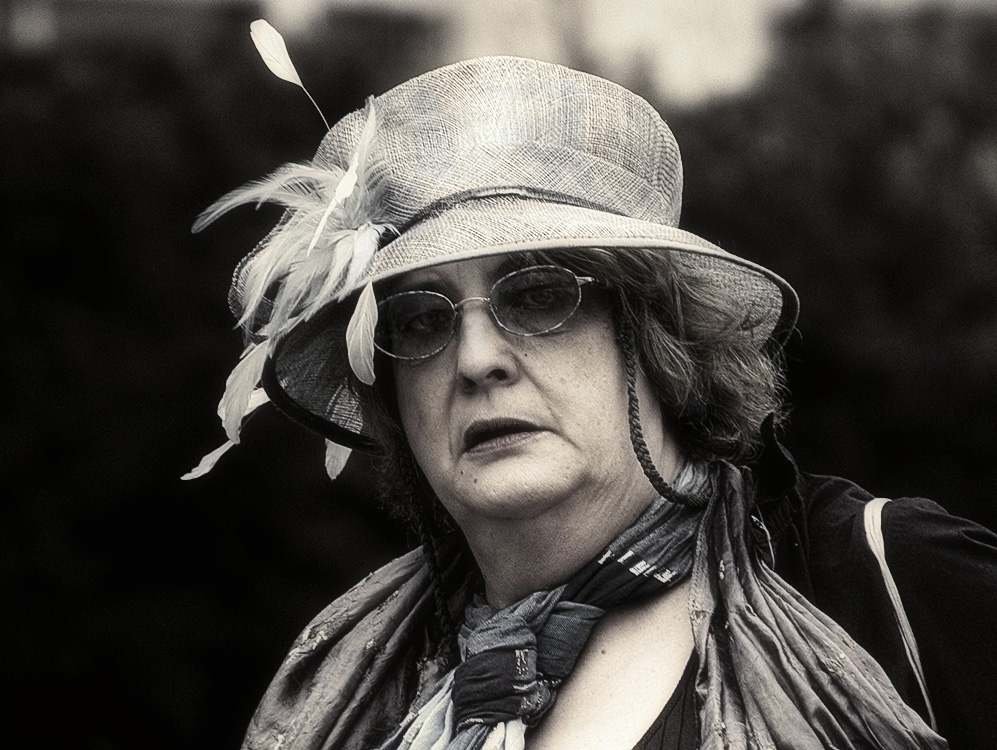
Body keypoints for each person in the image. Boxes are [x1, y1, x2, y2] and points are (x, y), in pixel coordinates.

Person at [187, 52, 997, 750]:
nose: (476, 360)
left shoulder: (890, 575)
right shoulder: (352, 681)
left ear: (656, 333)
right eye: (420, 319)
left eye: (539, 296)